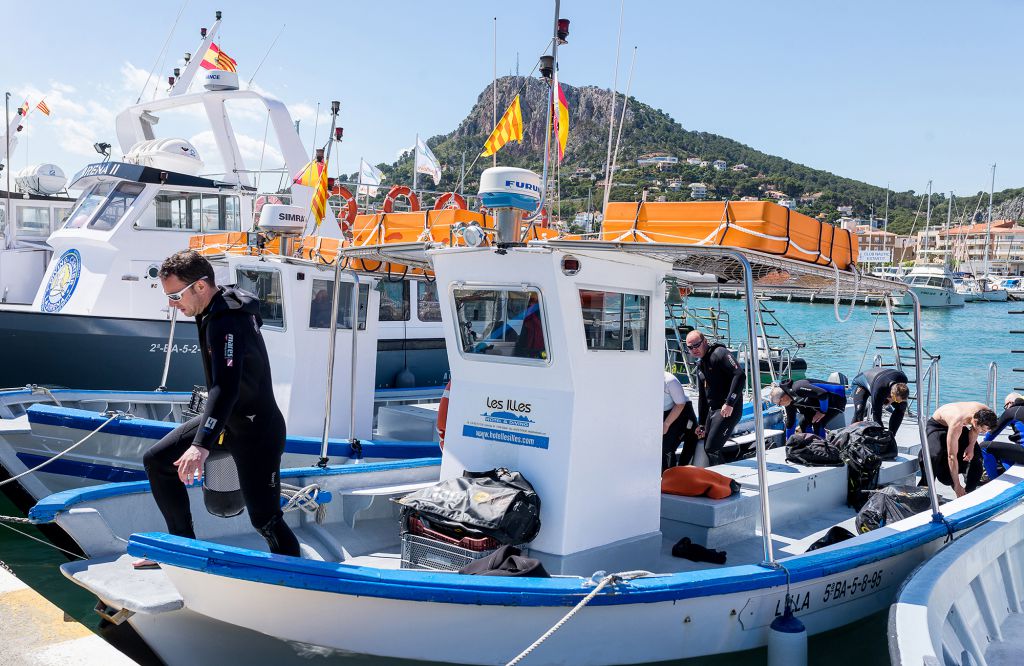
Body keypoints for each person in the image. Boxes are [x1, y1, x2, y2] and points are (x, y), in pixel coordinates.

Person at [136, 250, 299, 568]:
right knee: (157, 462)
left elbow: (226, 387)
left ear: (200, 286)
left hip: (257, 431)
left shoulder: (226, 322)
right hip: (227, 422)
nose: (172, 303)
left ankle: (295, 578)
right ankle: (183, 549)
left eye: (175, 295)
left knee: (265, 520)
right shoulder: (217, 304)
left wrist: (200, 446)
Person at [686, 330, 745, 466]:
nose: (694, 350)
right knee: (706, 445)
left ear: (705, 342)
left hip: (729, 409)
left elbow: (739, 375)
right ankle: (717, 475)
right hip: (713, 410)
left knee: (712, 448)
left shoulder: (719, 353)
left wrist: (730, 402)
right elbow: (703, 397)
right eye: (690, 347)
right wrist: (701, 423)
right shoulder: (701, 365)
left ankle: (725, 480)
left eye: (696, 345)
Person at [918, 402, 997, 498]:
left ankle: (968, 493)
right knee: (933, 455)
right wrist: (957, 485)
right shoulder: (958, 422)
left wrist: (971, 446)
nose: (984, 433)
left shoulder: (985, 411)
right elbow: (952, 456)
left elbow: (975, 430)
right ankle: (924, 491)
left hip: (959, 425)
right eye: (983, 430)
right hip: (937, 426)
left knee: (977, 456)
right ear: (975, 422)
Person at [770, 378, 848, 439]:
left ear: (783, 398)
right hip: (820, 401)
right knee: (803, 423)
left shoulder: (797, 388)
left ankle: (822, 448)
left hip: (836, 397)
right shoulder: (790, 401)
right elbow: (790, 422)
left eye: (779, 403)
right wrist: (788, 443)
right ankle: (811, 445)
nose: (780, 405)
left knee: (817, 422)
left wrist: (822, 412)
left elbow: (823, 394)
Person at [850, 367, 910, 433]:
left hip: (882, 381)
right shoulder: (878, 390)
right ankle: (852, 436)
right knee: (860, 409)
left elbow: (899, 398)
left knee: (902, 406)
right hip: (860, 384)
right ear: (891, 395)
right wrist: (881, 434)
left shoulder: (904, 379)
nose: (897, 402)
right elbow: (876, 417)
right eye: (896, 400)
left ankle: (892, 435)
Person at [980, 393, 1024, 480]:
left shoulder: (1013, 410)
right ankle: (1009, 476)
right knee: (1004, 454)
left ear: (1010, 403)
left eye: (1005, 406)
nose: (1006, 409)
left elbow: (991, 434)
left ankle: (993, 481)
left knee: (984, 447)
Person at [662, 370, 698, 470]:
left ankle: (679, 472)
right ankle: (665, 473)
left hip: (681, 409)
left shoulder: (670, 381)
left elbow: (680, 404)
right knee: (664, 446)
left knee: (668, 446)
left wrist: (666, 424)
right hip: (663, 411)